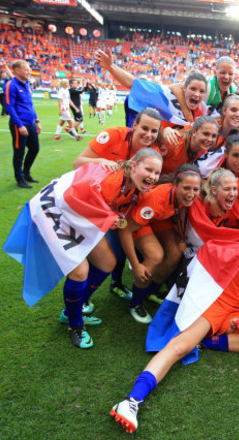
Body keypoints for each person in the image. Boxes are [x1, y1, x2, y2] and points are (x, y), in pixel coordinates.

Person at [110, 216, 239, 433]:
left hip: (236, 312)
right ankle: (131, 400)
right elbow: (210, 250)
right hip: (216, 306)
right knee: (179, 347)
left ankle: (205, 342)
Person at [56, 148, 163, 348]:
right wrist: (109, 217)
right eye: (148, 169)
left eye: (157, 173)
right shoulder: (111, 179)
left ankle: (73, 310)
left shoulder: (132, 187)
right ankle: (75, 324)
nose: (153, 176)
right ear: (133, 166)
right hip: (60, 215)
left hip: (81, 221)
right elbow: (73, 198)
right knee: (80, 272)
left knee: (107, 263)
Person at [73, 107, 163, 301]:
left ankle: (115, 284)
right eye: (145, 128)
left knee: (118, 251)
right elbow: (77, 163)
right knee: (97, 257)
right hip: (92, 204)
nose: (149, 135)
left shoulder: (152, 152)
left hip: (119, 208)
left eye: (154, 131)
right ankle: (81, 296)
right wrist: (102, 161)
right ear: (135, 125)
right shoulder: (113, 135)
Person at [119, 165, 203, 324]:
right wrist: (136, 264)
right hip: (138, 221)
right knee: (155, 256)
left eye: (195, 189)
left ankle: (150, 291)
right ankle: (136, 303)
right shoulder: (156, 200)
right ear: (175, 185)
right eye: (186, 188)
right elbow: (125, 231)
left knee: (176, 253)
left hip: (158, 217)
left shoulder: (185, 196)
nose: (191, 194)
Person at [5, 60, 42, 189]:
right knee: (19, 152)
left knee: (35, 148)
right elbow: (9, 106)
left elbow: (30, 105)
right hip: (19, 124)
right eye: (26, 70)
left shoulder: (27, 84)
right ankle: (19, 178)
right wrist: (19, 125)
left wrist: (37, 121)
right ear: (16, 70)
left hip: (31, 123)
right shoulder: (11, 85)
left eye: (29, 69)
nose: (29, 72)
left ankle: (26, 174)